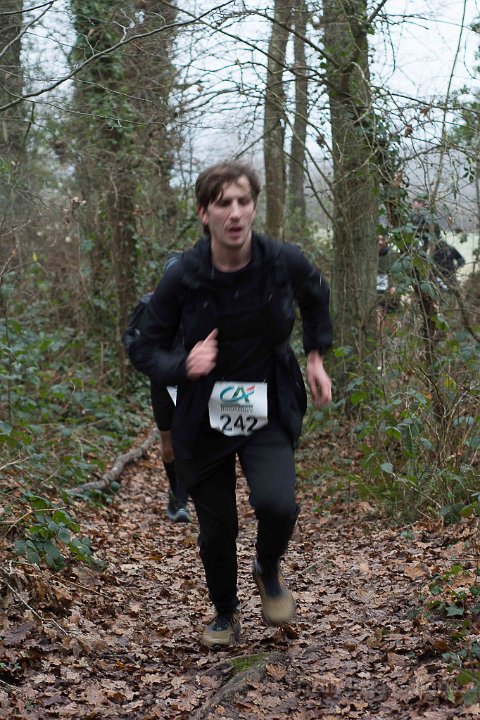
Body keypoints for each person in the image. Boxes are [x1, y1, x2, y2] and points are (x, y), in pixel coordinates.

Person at [128, 161, 333, 649]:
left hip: (267, 403)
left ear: (254, 207)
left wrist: (315, 356)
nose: (235, 213)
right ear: (205, 213)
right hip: (203, 414)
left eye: (244, 201)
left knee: (278, 503)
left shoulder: (282, 260)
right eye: (223, 204)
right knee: (217, 529)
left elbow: (316, 296)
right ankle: (225, 612)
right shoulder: (184, 275)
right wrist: (183, 364)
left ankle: (267, 566)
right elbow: (143, 344)